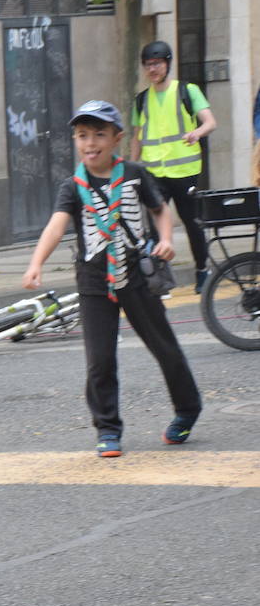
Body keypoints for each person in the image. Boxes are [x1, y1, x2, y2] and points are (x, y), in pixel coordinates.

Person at [22, 100, 202, 457]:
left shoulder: (134, 174)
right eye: (82, 135)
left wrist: (166, 240)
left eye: (99, 134)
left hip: (137, 276)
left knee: (165, 349)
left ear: (116, 138)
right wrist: (35, 262)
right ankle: (107, 429)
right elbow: (56, 226)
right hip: (93, 283)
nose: (90, 143)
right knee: (100, 360)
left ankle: (187, 410)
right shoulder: (72, 186)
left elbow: (160, 210)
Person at [127, 41, 217, 293]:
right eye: (147, 65)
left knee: (192, 223)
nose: (152, 69)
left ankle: (202, 271)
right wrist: (132, 168)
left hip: (185, 171)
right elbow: (138, 136)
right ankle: (161, 279)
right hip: (154, 173)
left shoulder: (187, 91)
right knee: (155, 227)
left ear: (167, 63)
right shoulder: (142, 100)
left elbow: (210, 122)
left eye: (156, 63)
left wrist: (196, 133)